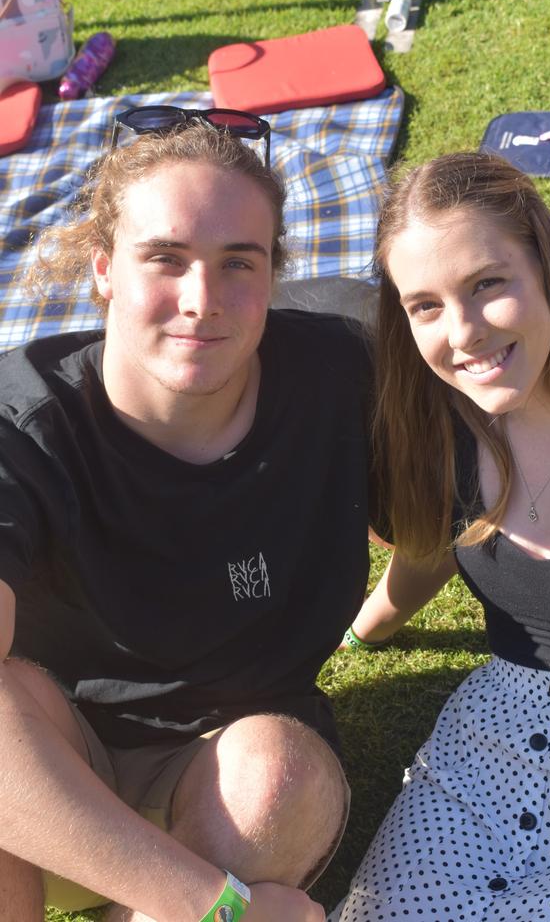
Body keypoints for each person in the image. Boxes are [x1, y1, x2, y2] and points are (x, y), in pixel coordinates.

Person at [0, 111, 379, 922]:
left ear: (274, 274)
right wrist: (209, 907)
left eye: (237, 262)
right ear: (104, 269)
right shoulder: (20, 420)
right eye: (164, 258)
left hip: (232, 766)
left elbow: (507, 458)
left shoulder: (343, 373)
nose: (201, 301)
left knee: (276, 776)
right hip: (43, 785)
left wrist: (389, 608)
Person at [332, 151, 550, 921]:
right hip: (489, 748)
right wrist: (368, 626)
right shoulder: (442, 421)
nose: (463, 333)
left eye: (487, 284)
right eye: (426, 306)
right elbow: (429, 548)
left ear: (547, 261)